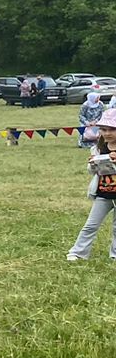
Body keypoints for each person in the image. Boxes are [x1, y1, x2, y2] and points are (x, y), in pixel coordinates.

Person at [67, 109, 116, 261]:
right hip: (103, 193)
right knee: (90, 225)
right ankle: (78, 252)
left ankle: (114, 255)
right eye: (103, 129)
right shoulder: (97, 148)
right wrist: (93, 162)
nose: (107, 133)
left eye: (111, 129)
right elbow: (93, 172)